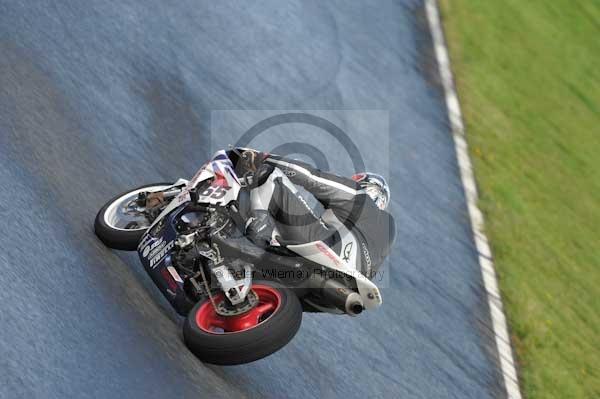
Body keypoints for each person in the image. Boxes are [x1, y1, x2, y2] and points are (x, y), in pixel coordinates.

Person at [238, 148, 395, 279]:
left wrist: (264, 158)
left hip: (325, 249)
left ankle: (253, 238)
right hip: (349, 282)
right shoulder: (384, 232)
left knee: (270, 175)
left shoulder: (360, 197)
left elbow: (311, 176)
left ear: (367, 187)